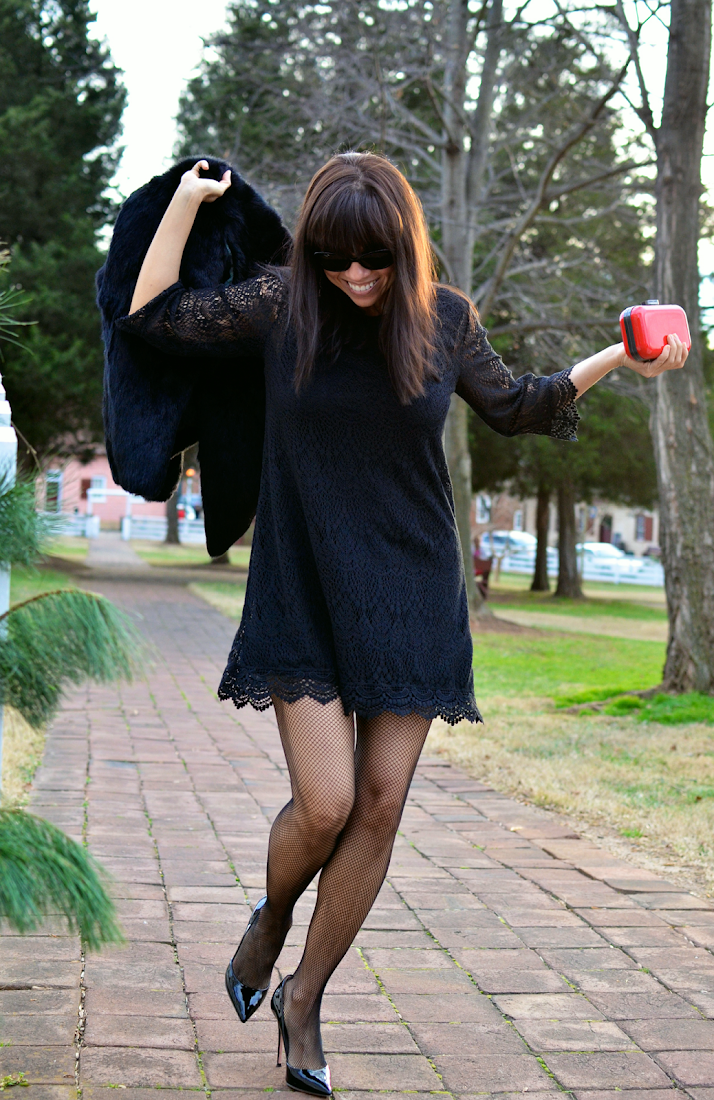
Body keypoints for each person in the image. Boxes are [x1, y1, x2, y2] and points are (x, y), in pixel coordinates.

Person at [119, 152, 688, 1096]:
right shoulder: (279, 306)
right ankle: (269, 920)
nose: (354, 277)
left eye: (373, 260)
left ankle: (304, 998)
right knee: (326, 804)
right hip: (302, 585)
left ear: (403, 249)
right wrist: (183, 200)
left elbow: (519, 406)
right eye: (337, 259)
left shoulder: (446, 320)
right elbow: (154, 316)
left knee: (381, 803)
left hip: (411, 591)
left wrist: (619, 355)